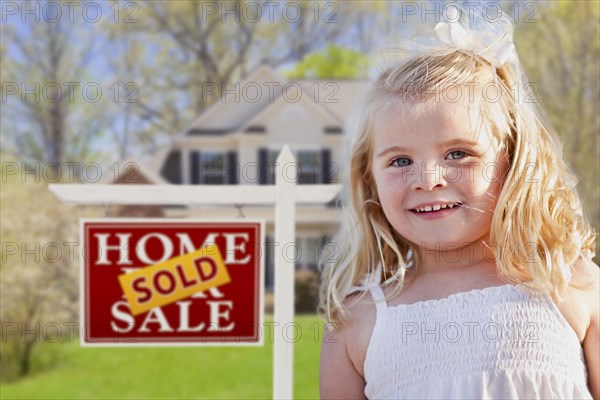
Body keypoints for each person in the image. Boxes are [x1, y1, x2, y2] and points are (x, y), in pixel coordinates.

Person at [318, 4, 599, 399]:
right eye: (401, 161)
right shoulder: (355, 322)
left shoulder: (570, 283)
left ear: (512, 161)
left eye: (458, 154)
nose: (429, 181)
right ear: (370, 180)